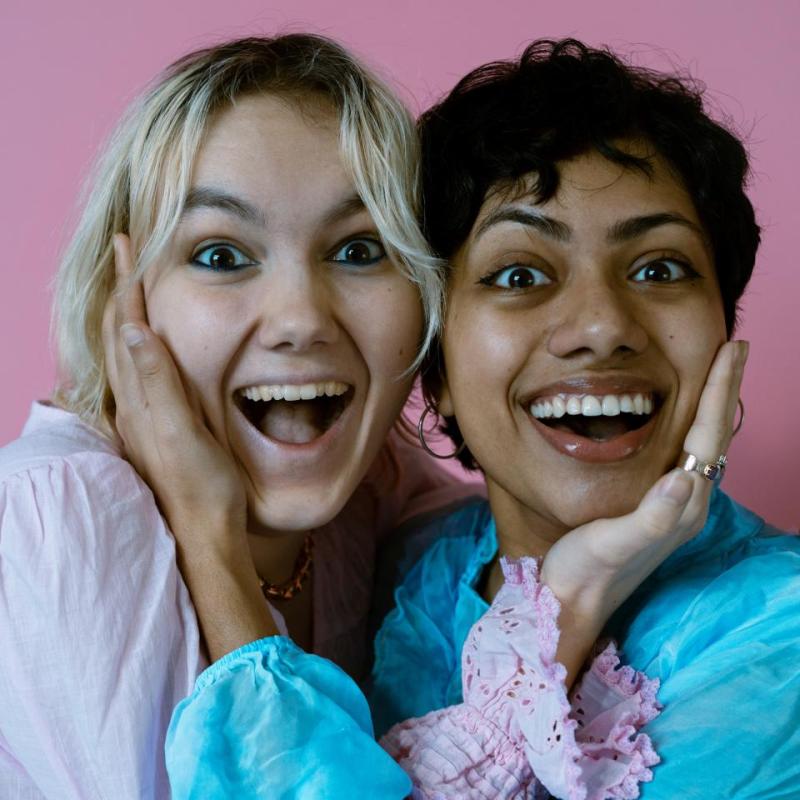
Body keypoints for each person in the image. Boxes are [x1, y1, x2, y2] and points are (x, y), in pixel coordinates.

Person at [150, 39, 792, 800]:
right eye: (519, 274)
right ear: (437, 368)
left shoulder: (778, 634)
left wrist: (215, 557)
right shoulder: (419, 573)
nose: (600, 325)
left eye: (659, 268)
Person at [0, 34, 478, 798]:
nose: (300, 318)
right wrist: (206, 536)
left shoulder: (378, 488)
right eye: (221, 255)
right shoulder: (52, 518)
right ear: (123, 298)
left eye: (360, 251)